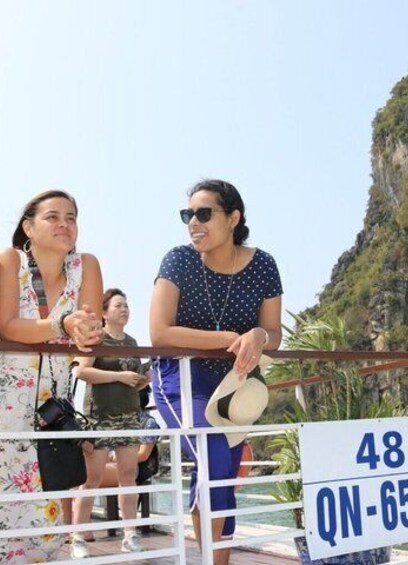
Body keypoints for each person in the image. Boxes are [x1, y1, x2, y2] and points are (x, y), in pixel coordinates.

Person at [0, 189, 103, 564]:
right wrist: (62, 324)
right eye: (52, 217)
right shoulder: (10, 260)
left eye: (71, 218)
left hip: (49, 411)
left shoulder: (86, 266)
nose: (64, 224)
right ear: (28, 227)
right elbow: (8, 326)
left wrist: (87, 331)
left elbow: (89, 327)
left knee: (46, 515)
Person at [150, 179, 282, 565]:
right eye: (188, 215)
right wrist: (228, 338)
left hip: (231, 384)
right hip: (179, 377)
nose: (194, 222)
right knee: (213, 456)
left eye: (204, 213)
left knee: (222, 471)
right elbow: (160, 333)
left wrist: (259, 335)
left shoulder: (263, 265)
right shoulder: (178, 260)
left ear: (233, 218)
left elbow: (273, 333)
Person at [71, 288, 148, 558]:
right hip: (99, 417)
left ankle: (130, 534)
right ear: (104, 312)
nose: (124, 309)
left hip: (129, 416)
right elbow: (81, 371)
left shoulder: (133, 342)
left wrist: (141, 380)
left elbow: (134, 379)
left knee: (128, 476)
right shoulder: (96, 337)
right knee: (91, 479)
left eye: (126, 305)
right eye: (118, 305)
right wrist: (118, 377)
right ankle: (78, 537)